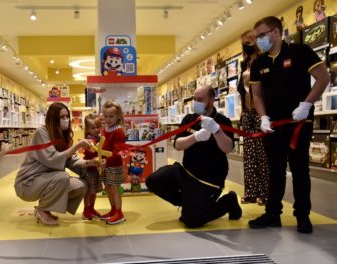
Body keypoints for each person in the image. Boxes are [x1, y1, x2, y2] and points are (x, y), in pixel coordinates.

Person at [249, 16, 330, 233]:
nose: (259, 40)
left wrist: (306, 104)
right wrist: (263, 117)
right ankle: (272, 213)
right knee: (274, 170)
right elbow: (257, 96)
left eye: (262, 35)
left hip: (299, 123)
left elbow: (323, 78)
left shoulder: (300, 52)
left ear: (276, 32)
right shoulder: (259, 63)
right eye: (257, 37)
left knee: (299, 170)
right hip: (272, 125)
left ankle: (302, 215)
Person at [146, 85, 242, 228]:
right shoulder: (189, 119)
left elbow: (228, 148)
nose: (196, 102)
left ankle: (228, 202)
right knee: (153, 181)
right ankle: (189, 202)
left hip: (209, 180)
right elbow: (178, 145)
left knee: (191, 221)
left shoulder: (223, 121)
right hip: (186, 172)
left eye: (200, 99)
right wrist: (195, 137)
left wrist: (217, 131)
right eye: (194, 99)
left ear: (211, 100)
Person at [14, 102, 101, 226]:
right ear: (53, 118)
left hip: (48, 180)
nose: (65, 120)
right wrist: (77, 146)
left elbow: (72, 160)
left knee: (81, 185)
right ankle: (43, 210)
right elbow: (52, 159)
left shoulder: (63, 136)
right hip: (28, 182)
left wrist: (90, 163)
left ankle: (45, 207)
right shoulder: (42, 132)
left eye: (67, 117)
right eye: (62, 117)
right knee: (62, 176)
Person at [237, 30, 270, 205]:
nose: (245, 46)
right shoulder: (244, 64)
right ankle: (251, 191)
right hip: (247, 112)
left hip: (261, 112)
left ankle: (266, 192)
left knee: (262, 153)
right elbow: (243, 90)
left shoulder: (264, 61)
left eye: (248, 42)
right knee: (249, 154)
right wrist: (242, 112)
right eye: (243, 43)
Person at [100, 100, 126, 224]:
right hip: (105, 163)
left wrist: (106, 160)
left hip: (114, 164)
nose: (108, 119)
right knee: (108, 188)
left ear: (118, 116)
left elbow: (117, 151)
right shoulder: (105, 129)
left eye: (111, 116)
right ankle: (113, 210)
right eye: (106, 116)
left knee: (115, 188)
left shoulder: (119, 131)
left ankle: (119, 213)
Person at [82, 114, 103, 220]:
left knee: (93, 191)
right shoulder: (89, 139)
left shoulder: (99, 138)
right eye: (93, 128)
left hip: (95, 169)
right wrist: (94, 147)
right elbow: (90, 149)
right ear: (87, 129)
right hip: (88, 168)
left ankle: (92, 208)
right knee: (88, 191)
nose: (96, 130)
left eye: (98, 127)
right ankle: (86, 209)